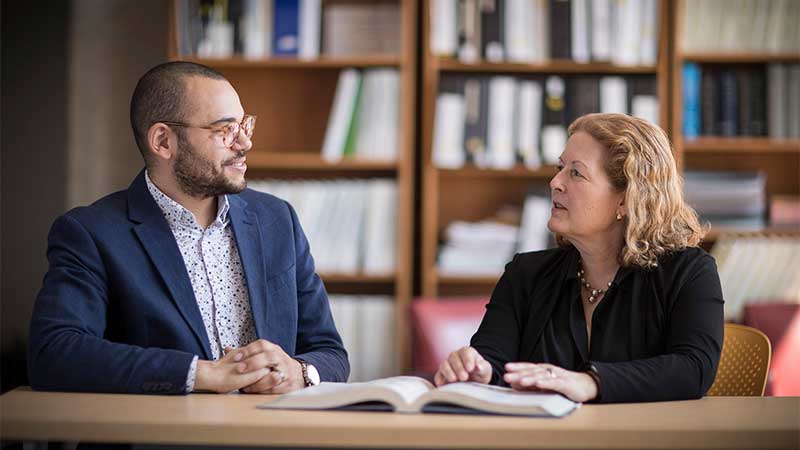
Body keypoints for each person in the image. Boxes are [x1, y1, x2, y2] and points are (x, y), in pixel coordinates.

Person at [28, 61, 348, 395]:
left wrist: (300, 372)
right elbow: (54, 353)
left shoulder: (277, 220)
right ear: (163, 141)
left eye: (244, 126)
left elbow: (330, 352)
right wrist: (199, 374)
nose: (244, 144)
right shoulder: (90, 233)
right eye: (225, 130)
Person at [433, 113, 724, 403]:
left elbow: (693, 369)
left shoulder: (690, 272)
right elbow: (494, 362)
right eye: (560, 168)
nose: (555, 182)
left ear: (626, 199)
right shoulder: (525, 274)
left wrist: (591, 382)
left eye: (575, 173)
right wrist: (477, 370)